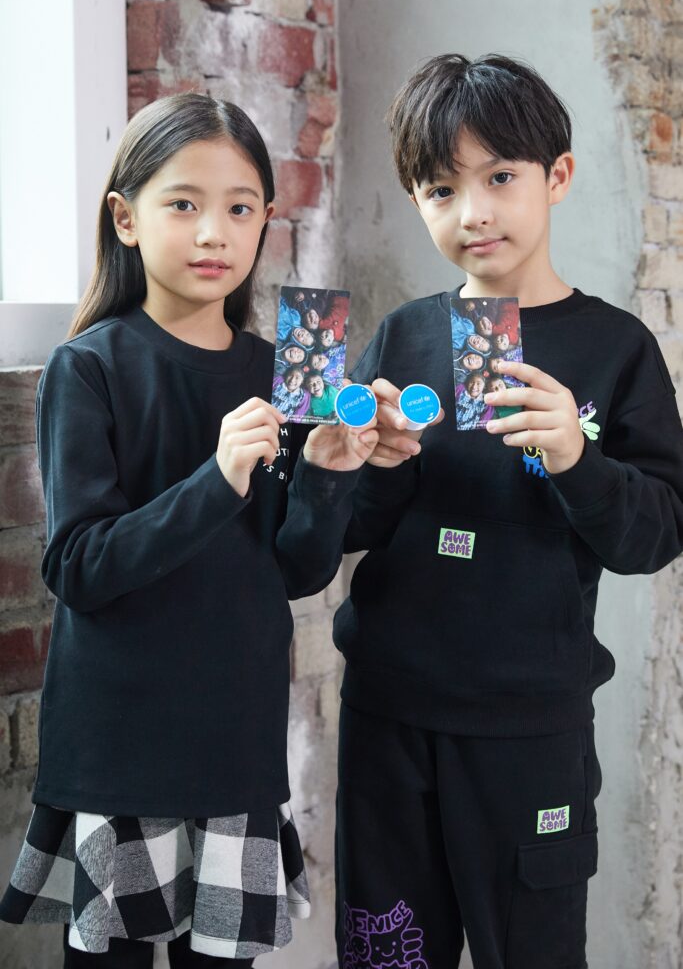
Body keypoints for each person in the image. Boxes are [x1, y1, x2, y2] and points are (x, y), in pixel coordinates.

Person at [0, 93, 379, 968]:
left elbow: (295, 570)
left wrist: (328, 472)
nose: (214, 232)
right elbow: (81, 567)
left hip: (235, 742)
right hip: (120, 746)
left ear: (265, 222)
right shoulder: (87, 367)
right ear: (125, 219)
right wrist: (217, 479)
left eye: (240, 209)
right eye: (183, 203)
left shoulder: (283, 374)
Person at [333, 54, 683, 969]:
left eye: (498, 178)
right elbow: (350, 529)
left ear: (555, 176)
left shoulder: (615, 347)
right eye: (441, 189)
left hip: (531, 724)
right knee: (387, 956)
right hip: (389, 713)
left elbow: (652, 535)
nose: (473, 212)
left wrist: (576, 457)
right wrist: (370, 464)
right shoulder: (404, 335)